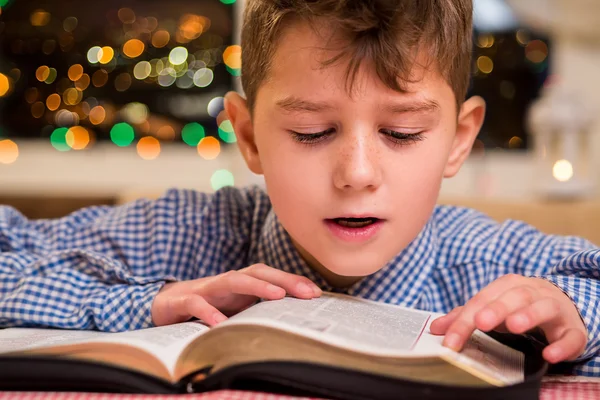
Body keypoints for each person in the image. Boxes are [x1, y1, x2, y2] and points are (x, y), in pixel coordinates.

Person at [1, 0, 599, 376]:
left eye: (402, 132)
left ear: (459, 141)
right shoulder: (182, 233)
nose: (358, 174)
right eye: (312, 133)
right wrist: (144, 303)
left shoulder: (487, 262)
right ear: (250, 137)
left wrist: (576, 311)